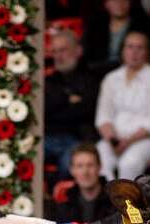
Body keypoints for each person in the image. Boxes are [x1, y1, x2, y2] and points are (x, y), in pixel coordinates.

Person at [94, 31, 150, 181]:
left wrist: (127, 141)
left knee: (129, 162)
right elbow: (103, 116)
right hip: (114, 138)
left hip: (148, 139)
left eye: (139, 48)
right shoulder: (111, 78)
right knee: (99, 156)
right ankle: (106, 201)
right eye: (130, 47)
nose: (134, 52)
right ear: (123, 51)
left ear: (147, 52)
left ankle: (127, 203)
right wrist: (112, 139)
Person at [43, 28, 99, 180]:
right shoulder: (48, 81)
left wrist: (57, 107)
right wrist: (67, 101)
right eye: (54, 51)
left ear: (78, 50)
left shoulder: (91, 79)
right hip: (47, 136)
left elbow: (85, 111)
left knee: (71, 163)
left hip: (77, 139)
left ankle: (61, 202)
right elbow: (43, 111)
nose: (58, 56)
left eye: (63, 50)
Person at [83, 0, 150, 78]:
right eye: (115, 1)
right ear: (106, 4)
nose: (119, 3)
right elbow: (87, 55)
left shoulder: (142, 26)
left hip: (131, 72)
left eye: (124, 0)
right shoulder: (95, 26)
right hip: (97, 74)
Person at [52, 144, 115, 224]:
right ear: (72, 170)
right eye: (79, 166)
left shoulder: (114, 202)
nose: (85, 172)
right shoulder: (64, 203)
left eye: (90, 165)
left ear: (99, 167)